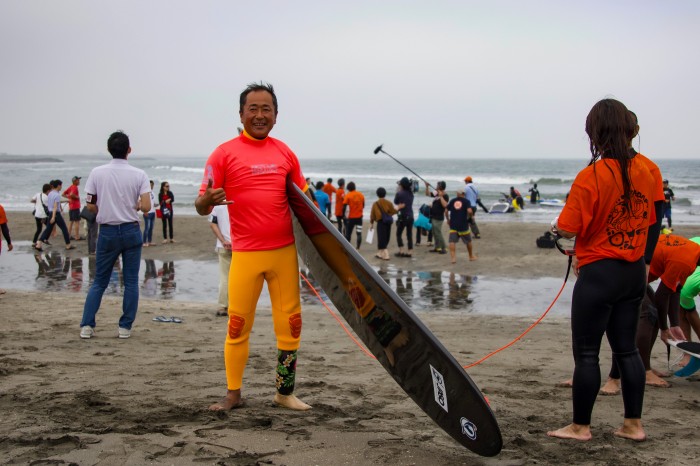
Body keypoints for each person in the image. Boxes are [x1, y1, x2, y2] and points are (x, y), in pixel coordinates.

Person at [547, 98, 664, 442]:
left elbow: (568, 227)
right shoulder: (649, 170)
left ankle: (581, 427)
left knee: (586, 353)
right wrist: (644, 259)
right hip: (633, 273)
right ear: (628, 128)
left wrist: (555, 227)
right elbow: (653, 220)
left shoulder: (591, 175)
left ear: (595, 132)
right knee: (626, 350)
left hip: (599, 273)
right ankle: (633, 425)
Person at [195, 82, 312, 412]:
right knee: (237, 325)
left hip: (283, 253)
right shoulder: (223, 153)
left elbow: (304, 204)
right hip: (245, 255)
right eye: (253, 109)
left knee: (290, 325)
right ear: (241, 113)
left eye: (267, 109)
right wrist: (205, 201)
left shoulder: (285, 153)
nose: (260, 115)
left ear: (276, 115)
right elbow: (202, 205)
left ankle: (284, 393)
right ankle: (233, 394)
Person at [79, 131, 151, 340]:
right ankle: (125, 327)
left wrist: (104, 208)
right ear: (129, 150)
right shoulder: (139, 175)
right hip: (130, 229)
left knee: (99, 281)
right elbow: (146, 206)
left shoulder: (97, 173)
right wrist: (135, 204)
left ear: (109, 150)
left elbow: (90, 205)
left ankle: (87, 325)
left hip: (107, 231)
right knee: (130, 281)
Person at [36, 180, 75, 251]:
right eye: (61, 185)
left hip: (51, 213)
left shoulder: (50, 193)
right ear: (58, 186)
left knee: (48, 229)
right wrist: (54, 217)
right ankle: (68, 245)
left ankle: (39, 243)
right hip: (56, 214)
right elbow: (55, 206)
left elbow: (55, 202)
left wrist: (66, 200)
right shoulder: (57, 195)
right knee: (64, 229)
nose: (61, 187)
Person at [209, 204, 232, 317]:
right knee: (238, 278)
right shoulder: (240, 202)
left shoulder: (218, 206)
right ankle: (235, 305)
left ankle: (223, 305)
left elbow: (213, 224)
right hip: (239, 246)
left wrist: (223, 240)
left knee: (224, 277)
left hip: (223, 246)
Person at [446, 188, 476, 263]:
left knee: (452, 241)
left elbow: (446, 210)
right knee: (468, 241)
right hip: (463, 224)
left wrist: (448, 219)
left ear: (457, 193)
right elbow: (469, 211)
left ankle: (453, 258)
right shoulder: (466, 201)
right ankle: (471, 256)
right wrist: (471, 216)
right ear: (463, 194)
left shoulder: (452, 200)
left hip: (453, 224)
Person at [369, 187, 397, 260]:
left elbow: (372, 215)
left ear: (377, 194)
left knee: (381, 238)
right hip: (388, 222)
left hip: (381, 222)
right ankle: (380, 253)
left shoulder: (375, 204)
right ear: (385, 194)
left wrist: (371, 223)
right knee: (386, 237)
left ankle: (386, 255)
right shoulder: (389, 203)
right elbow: (393, 211)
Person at [426, 181, 449, 254]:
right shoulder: (436, 193)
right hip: (433, 216)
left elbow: (445, 205)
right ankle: (437, 247)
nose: (436, 186)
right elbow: (427, 194)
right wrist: (427, 186)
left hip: (439, 217)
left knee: (438, 233)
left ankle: (444, 248)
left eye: (438, 185)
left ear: (441, 186)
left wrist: (441, 196)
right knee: (434, 233)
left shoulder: (445, 195)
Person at [394, 177, 414, 258]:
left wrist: (398, 191)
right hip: (411, 215)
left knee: (398, 233)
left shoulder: (400, 193)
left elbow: (395, 202)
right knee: (409, 234)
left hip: (403, 216)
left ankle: (401, 250)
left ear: (402, 185)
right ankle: (410, 251)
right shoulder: (411, 194)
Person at [343, 181, 365, 249]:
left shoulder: (348, 195)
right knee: (359, 233)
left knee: (348, 233)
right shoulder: (361, 194)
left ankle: (348, 247)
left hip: (351, 218)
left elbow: (344, 206)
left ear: (348, 188)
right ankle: (358, 247)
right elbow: (363, 205)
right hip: (359, 217)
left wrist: (343, 215)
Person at [63, 176, 82, 241]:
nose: (79, 181)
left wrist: (69, 197)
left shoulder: (71, 187)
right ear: (74, 181)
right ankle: (77, 236)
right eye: (78, 180)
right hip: (75, 206)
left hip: (71, 206)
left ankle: (68, 235)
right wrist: (77, 197)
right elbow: (71, 194)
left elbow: (63, 194)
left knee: (71, 221)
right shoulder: (74, 187)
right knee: (77, 221)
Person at [142, 180, 157, 247]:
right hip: (147, 212)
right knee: (147, 228)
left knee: (151, 227)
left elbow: (153, 203)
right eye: (150, 185)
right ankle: (144, 241)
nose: (151, 186)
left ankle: (149, 241)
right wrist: (145, 211)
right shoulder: (144, 193)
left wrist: (156, 205)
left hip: (153, 212)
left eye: (152, 185)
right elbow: (141, 202)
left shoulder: (153, 193)